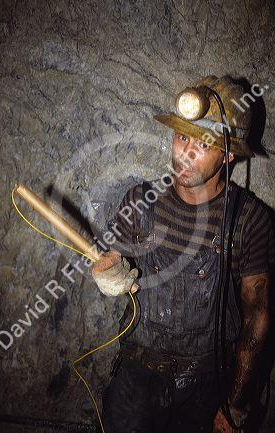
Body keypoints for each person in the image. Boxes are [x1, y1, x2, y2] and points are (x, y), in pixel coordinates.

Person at [91, 75, 275, 433]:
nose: (184, 153)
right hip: (137, 378)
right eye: (182, 137)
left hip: (206, 387)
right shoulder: (140, 201)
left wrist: (235, 403)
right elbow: (113, 256)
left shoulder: (249, 220)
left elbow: (258, 317)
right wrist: (106, 270)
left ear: (228, 153)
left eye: (202, 144)